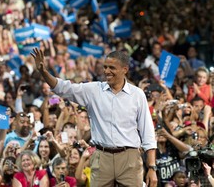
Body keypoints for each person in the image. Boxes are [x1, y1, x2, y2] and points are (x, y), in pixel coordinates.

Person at [31, 48, 157, 186]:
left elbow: (148, 133)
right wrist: (43, 72)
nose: (107, 71)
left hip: (130, 158)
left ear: (124, 69)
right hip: (101, 157)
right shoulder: (93, 90)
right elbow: (63, 88)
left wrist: (152, 167)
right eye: (105, 67)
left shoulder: (137, 95)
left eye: (112, 68)